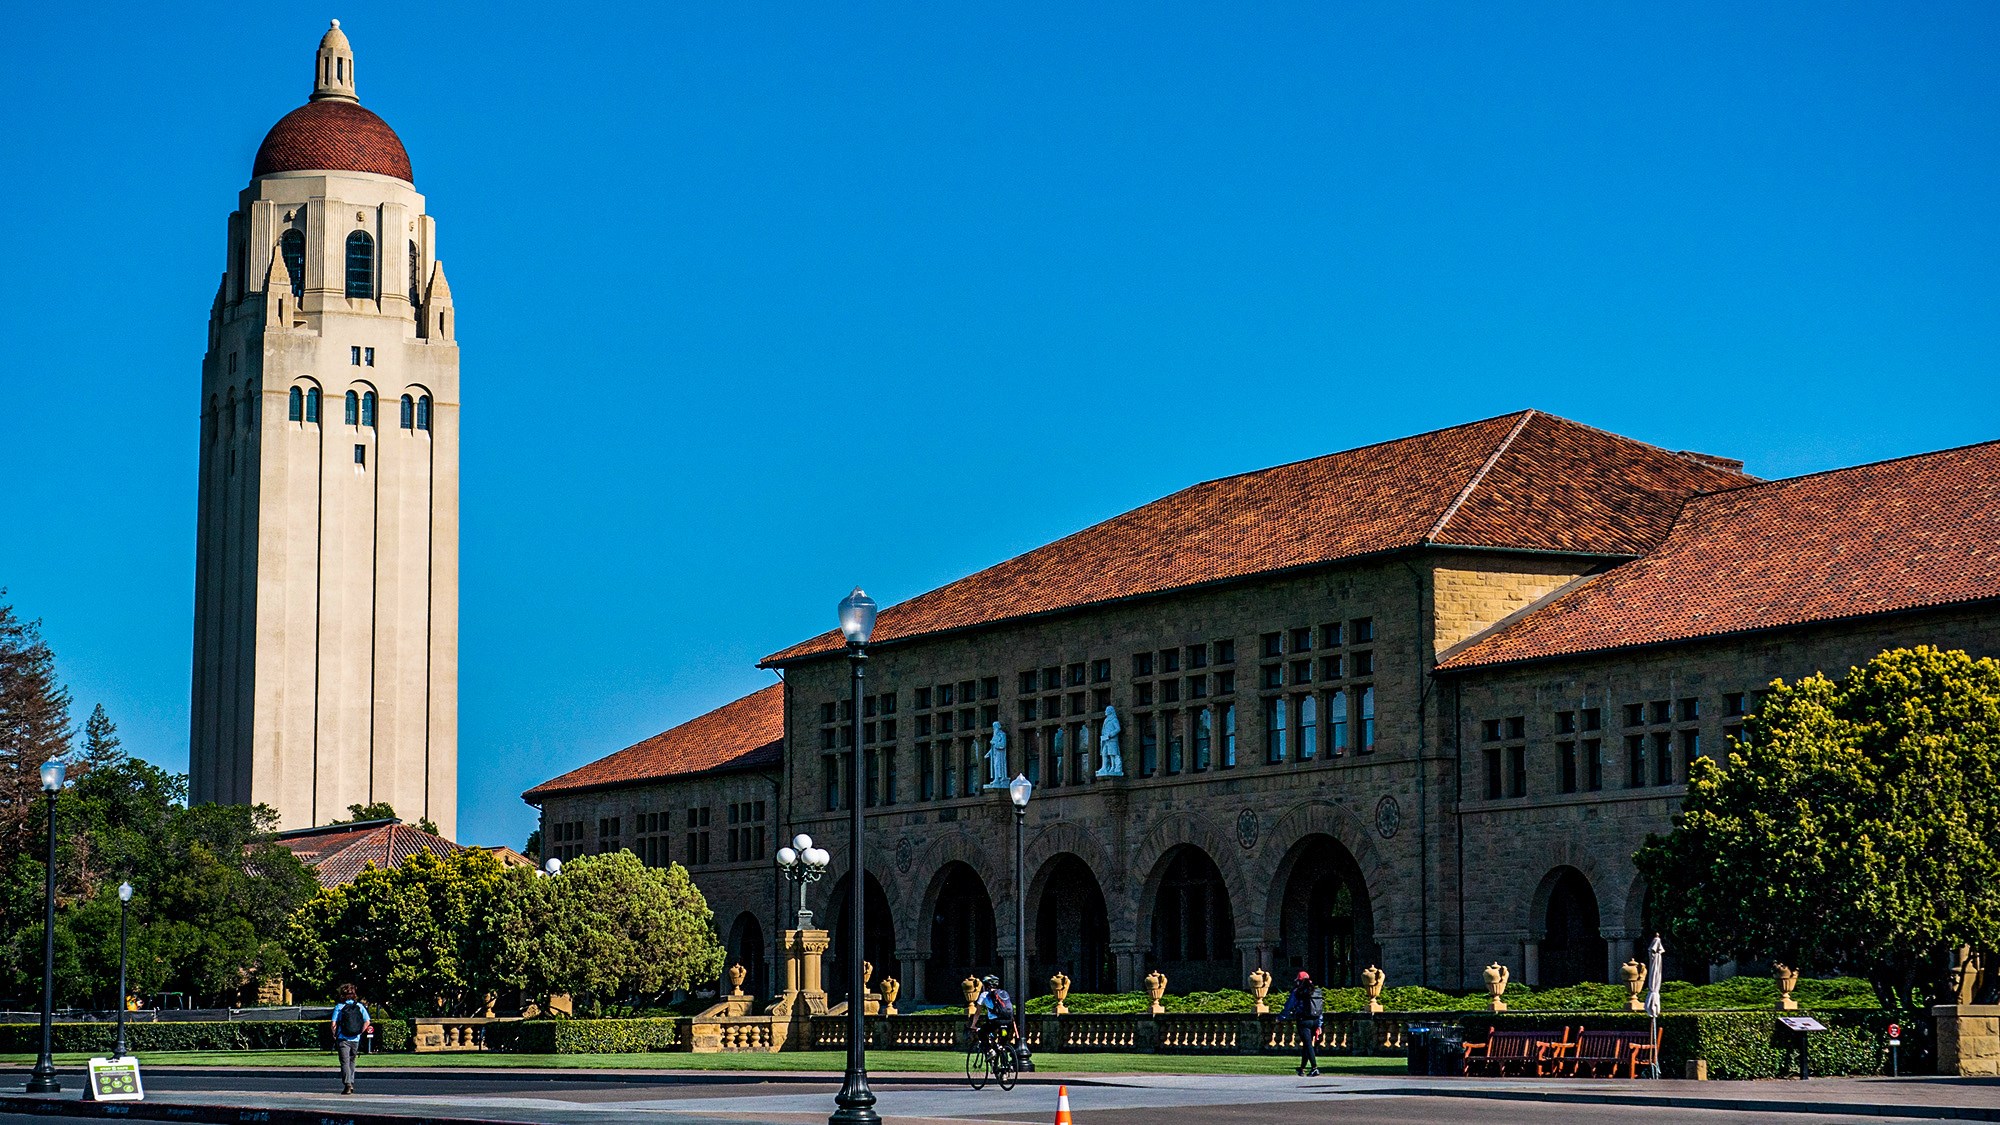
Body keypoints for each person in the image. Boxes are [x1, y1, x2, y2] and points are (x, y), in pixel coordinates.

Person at [1276, 971, 1324, 1076]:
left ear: (1299, 981)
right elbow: (1320, 1009)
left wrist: (1281, 1017)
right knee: (1307, 1045)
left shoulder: (1298, 991)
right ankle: (1302, 1069)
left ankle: (1314, 1067)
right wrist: (1319, 1024)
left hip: (1303, 1020)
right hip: (1315, 1020)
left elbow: (1289, 1006)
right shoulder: (1315, 991)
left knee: (1307, 1044)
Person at [330, 983, 371, 1094]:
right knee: (352, 1061)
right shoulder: (360, 1006)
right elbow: (367, 1021)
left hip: (343, 1038)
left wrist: (334, 1035)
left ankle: (347, 1084)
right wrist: (360, 1032)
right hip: (355, 1039)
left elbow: (333, 1024)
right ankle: (351, 1082)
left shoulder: (339, 1007)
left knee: (344, 1062)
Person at [969, 974, 1018, 1057]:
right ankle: (1003, 1055)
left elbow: (977, 1012)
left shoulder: (984, 995)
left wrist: (973, 1025)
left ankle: (990, 1050)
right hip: (1008, 1021)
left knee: (982, 1032)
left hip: (995, 1022)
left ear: (986, 985)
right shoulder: (1003, 993)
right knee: (1003, 1039)